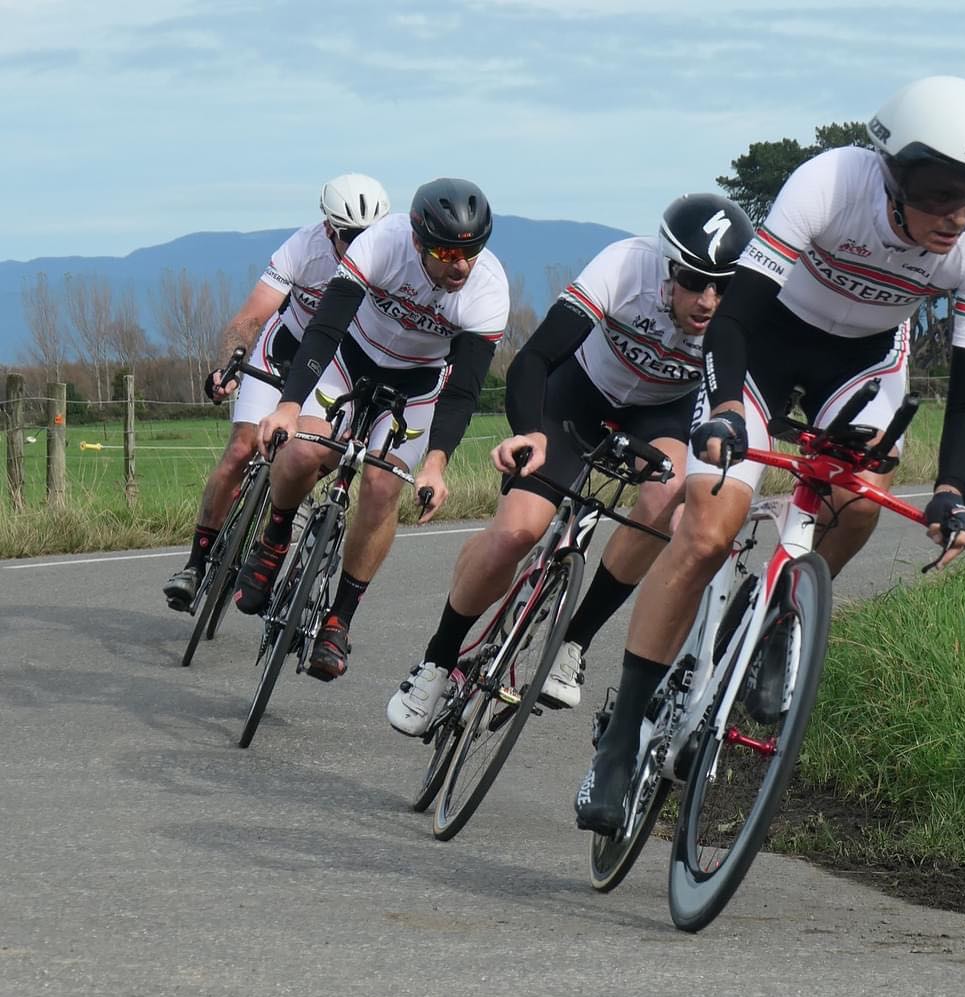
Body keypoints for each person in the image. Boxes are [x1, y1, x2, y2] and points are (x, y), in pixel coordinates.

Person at [574, 75, 965, 833]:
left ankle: (777, 618)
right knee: (709, 529)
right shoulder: (830, 182)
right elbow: (735, 316)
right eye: (942, 192)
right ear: (895, 174)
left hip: (865, 366)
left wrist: (953, 488)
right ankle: (621, 739)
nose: (958, 215)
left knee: (857, 502)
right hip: (766, 344)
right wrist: (719, 412)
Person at [385, 194, 754, 736]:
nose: (708, 300)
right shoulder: (624, 266)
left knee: (666, 495)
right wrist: (529, 431)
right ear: (668, 268)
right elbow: (535, 358)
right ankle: (437, 662)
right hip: (577, 397)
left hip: (663, 416)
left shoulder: (732, 310)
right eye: (695, 282)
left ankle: (573, 644)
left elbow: (737, 395)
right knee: (517, 533)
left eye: (721, 286)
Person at [234, 178, 509, 681]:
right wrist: (290, 405)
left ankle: (340, 619)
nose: (461, 266)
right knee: (299, 455)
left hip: (419, 385)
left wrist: (436, 464)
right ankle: (274, 540)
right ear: (419, 241)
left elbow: (463, 392)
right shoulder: (383, 243)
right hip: (349, 359)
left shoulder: (487, 289)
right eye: (448, 252)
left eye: (472, 251)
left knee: (383, 486)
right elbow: (326, 327)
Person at [162, 174, 390, 610]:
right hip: (284, 353)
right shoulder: (304, 248)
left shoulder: (393, 260)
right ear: (328, 229)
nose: (360, 245)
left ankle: (277, 527)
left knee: (316, 454)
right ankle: (195, 564)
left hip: (336, 369)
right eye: (349, 236)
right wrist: (230, 363)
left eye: (370, 236)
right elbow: (249, 317)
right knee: (241, 448)